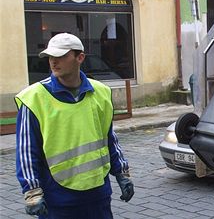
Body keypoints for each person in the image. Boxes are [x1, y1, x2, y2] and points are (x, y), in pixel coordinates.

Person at [15, 33, 134, 219]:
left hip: (98, 195)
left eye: (61, 56)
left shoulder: (100, 93)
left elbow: (109, 138)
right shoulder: (34, 98)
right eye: (50, 57)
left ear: (80, 58)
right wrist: (32, 192)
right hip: (58, 198)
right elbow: (27, 151)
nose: (53, 62)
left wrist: (122, 172)